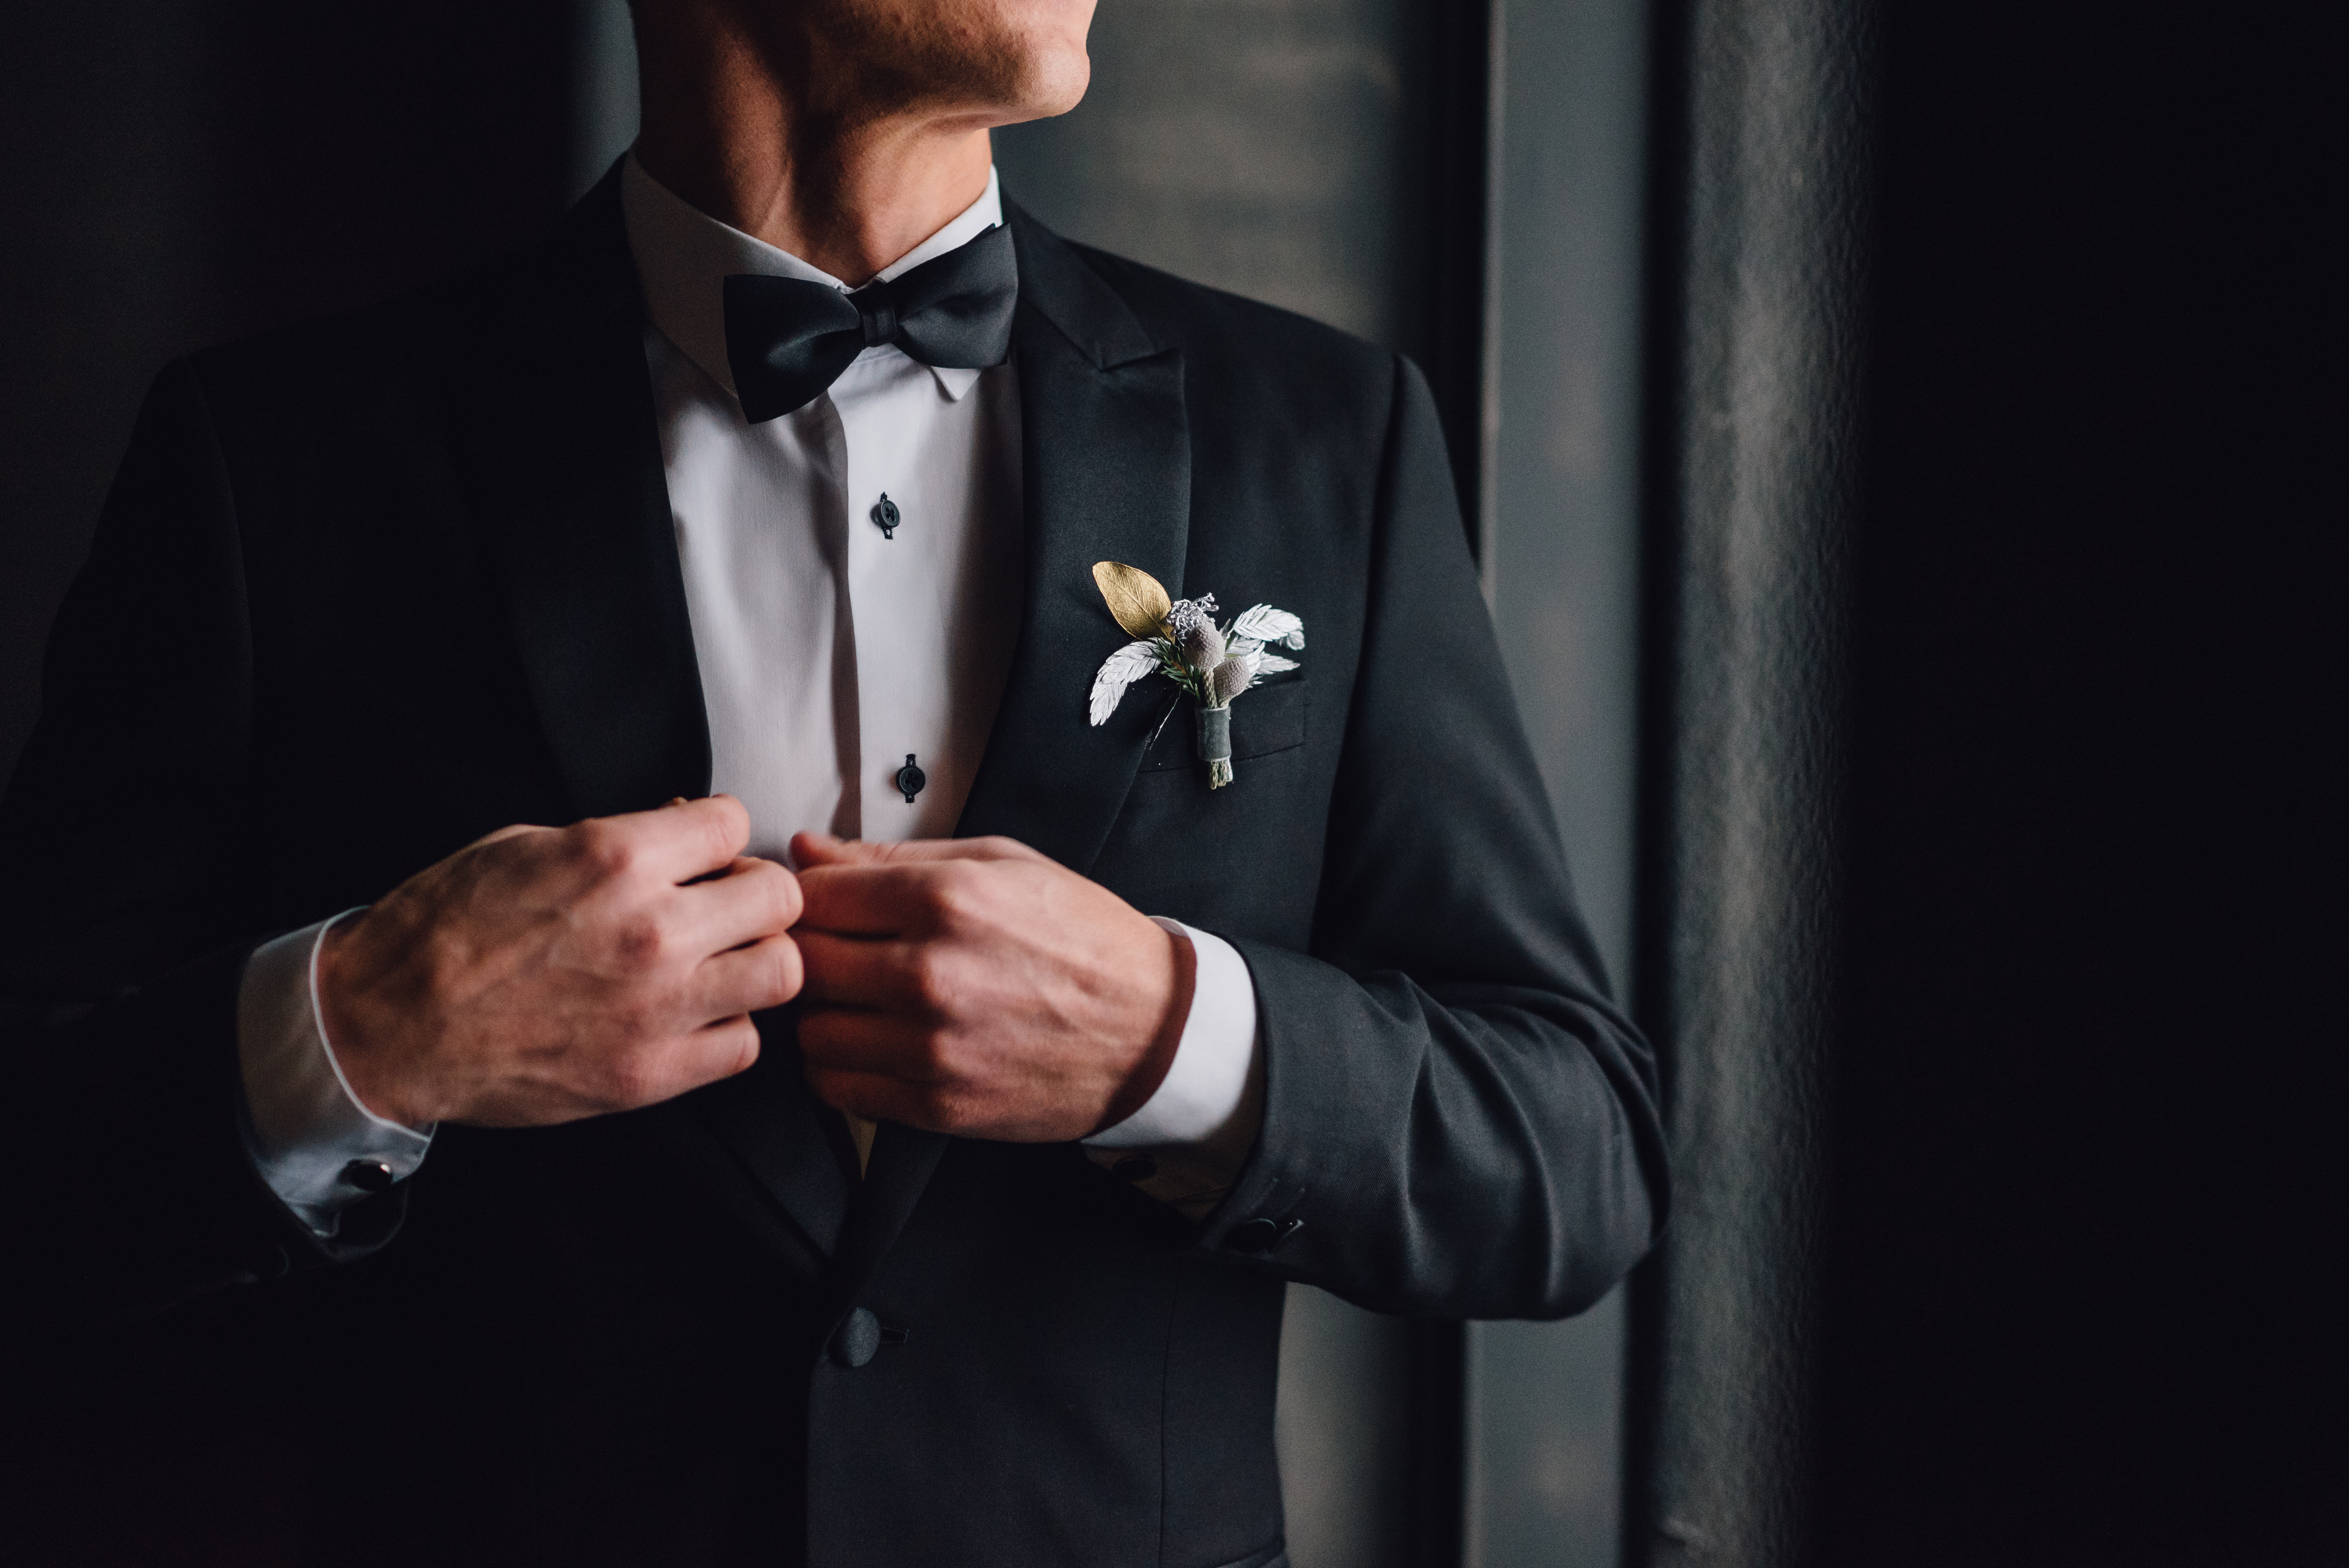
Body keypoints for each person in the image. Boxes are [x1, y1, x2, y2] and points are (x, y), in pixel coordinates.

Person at [0, 0, 1666, 1561]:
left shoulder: (1322, 434)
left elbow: (1571, 1154)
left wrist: (1171, 1035)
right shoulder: (284, 457)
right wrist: (363, 1028)